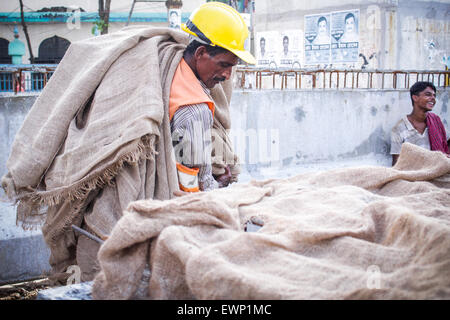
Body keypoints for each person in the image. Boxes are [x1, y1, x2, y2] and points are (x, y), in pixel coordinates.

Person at [1, 2, 255, 282]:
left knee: (88, 280)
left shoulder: (157, 59)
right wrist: (218, 195)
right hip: (124, 228)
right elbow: (190, 185)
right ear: (202, 53)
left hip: (96, 211)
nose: (227, 76)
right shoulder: (193, 110)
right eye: (225, 65)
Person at [390, 81, 450, 166]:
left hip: (436, 170)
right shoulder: (399, 129)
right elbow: (396, 163)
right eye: (428, 94)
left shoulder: (435, 122)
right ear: (415, 98)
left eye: (434, 95)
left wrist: (444, 157)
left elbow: (447, 141)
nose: (433, 98)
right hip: (414, 174)